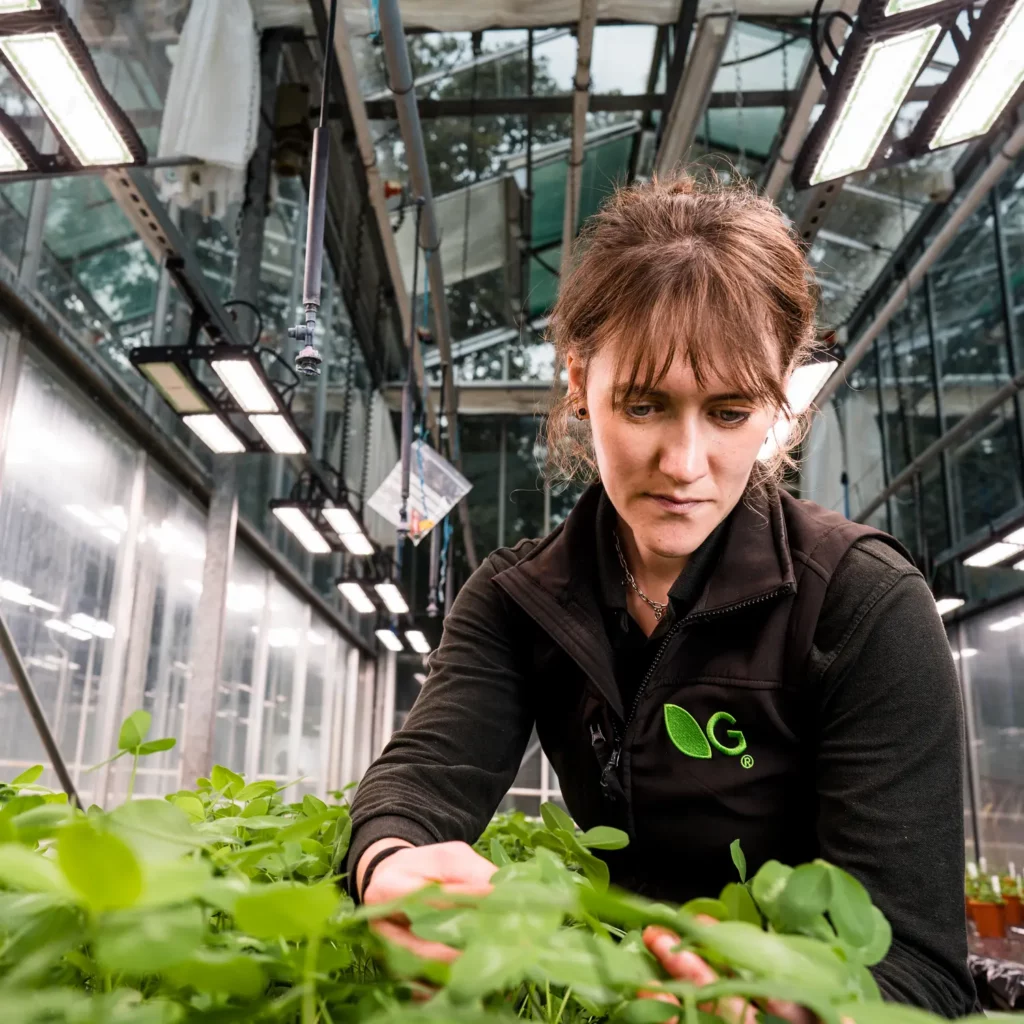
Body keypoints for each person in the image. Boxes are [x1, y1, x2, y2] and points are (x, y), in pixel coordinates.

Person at [346, 173, 976, 1018]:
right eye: (644, 405)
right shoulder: (517, 599)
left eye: (728, 411)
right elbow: (424, 780)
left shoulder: (861, 605)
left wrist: (793, 1004)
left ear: (777, 400)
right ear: (579, 382)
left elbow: (919, 962)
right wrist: (390, 862)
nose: (684, 465)